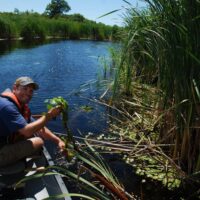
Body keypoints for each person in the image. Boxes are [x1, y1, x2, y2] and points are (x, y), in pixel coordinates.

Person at [0, 76, 65, 168]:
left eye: (31, 91)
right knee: (38, 141)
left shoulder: (20, 106)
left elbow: (38, 128)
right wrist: (49, 116)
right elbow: (27, 131)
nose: (28, 93)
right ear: (15, 88)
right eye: (25, 89)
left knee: (33, 132)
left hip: (5, 140)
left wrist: (58, 140)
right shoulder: (6, 106)